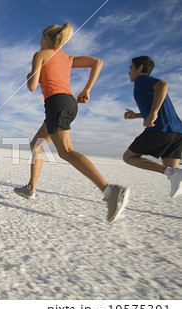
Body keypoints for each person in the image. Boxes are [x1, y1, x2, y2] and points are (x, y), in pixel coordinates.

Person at [13, 22, 130, 223]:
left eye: (41, 38)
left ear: (47, 38)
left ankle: (110, 191)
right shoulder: (67, 58)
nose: (39, 42)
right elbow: (98, 62)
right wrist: (87, 90)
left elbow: (32, 86)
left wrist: (31, 76)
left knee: (65, 150)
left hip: (56, 103)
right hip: (67, 102)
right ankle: (30, 188)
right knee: (37, 145)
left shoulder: (40, 55)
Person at [123, 56, 182, 198]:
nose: (128, 72)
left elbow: (162, 85)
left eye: (131, 68)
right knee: (173, 170)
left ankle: (173, 174)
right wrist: (136, 115)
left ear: (140, 68)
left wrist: (153, 114)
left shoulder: (141, 80)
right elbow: (153, 110)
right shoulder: (145, 86)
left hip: (161, 129)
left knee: (129, 157)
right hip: (178, 132)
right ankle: (174, 175)